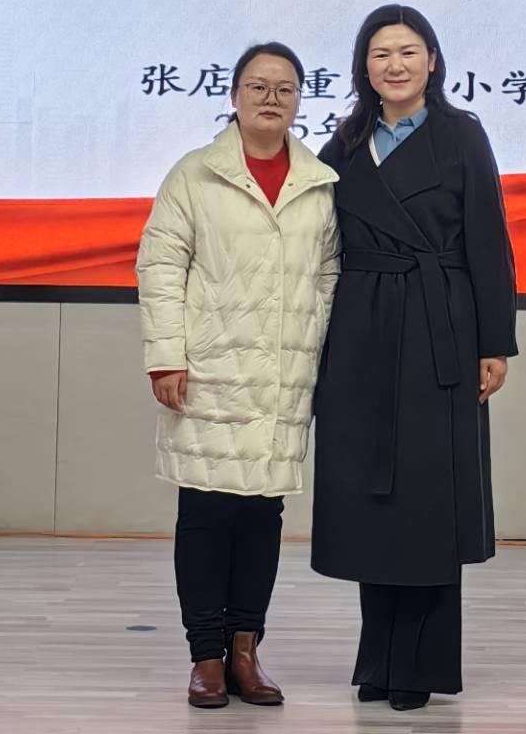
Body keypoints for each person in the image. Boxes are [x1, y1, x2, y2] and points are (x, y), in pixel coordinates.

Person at [312, 5, 518, 711]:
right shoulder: (345, 142)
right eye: (380, 54)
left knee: (428, 499)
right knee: (373, 497)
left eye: (407, 51)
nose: (394, 65)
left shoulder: (462, 134)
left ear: (432, 60)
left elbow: (489, 239)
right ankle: (378, 660)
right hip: (360, 329)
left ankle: (421, 666)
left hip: (439, 327)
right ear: (363, 68)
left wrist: (495, 341)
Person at [137, 42, 340, 709]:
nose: (271, 99)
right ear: (234, 96)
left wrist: (316, 345)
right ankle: (206, 657)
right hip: (208, 370)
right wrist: (167, 355)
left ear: (300, 100)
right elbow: (160, 267)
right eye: (258, 86)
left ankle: (246, 652)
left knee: (262, 515)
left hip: (283, 373)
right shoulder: (194, 175)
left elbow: (330, 274)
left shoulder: (318, 183)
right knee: (205, 511)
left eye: (285, 88)